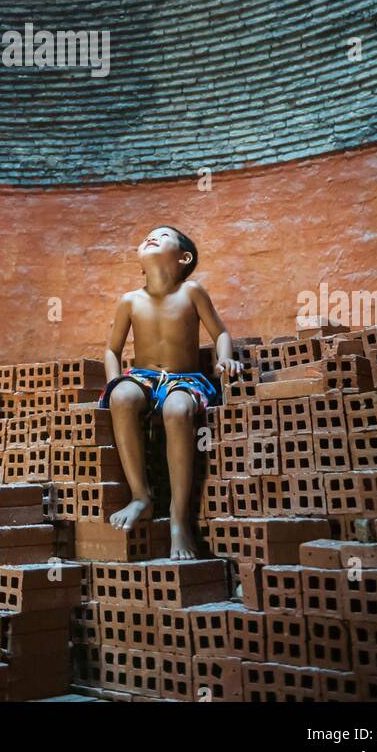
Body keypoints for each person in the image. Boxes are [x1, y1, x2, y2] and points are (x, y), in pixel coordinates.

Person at [100, 225, 243, 559]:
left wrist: (225, 360)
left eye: (163, 236)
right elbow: (112, 350)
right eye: (148, 235)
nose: (152, 237)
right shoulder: (129, 301)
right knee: (122, 397)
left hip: (184, 379)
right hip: (143, 377)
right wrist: (113, 381)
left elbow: (220, 332)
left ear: (184, 257)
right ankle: (141, 496)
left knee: (177, 410)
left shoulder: (192, 291)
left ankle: (179, 520)